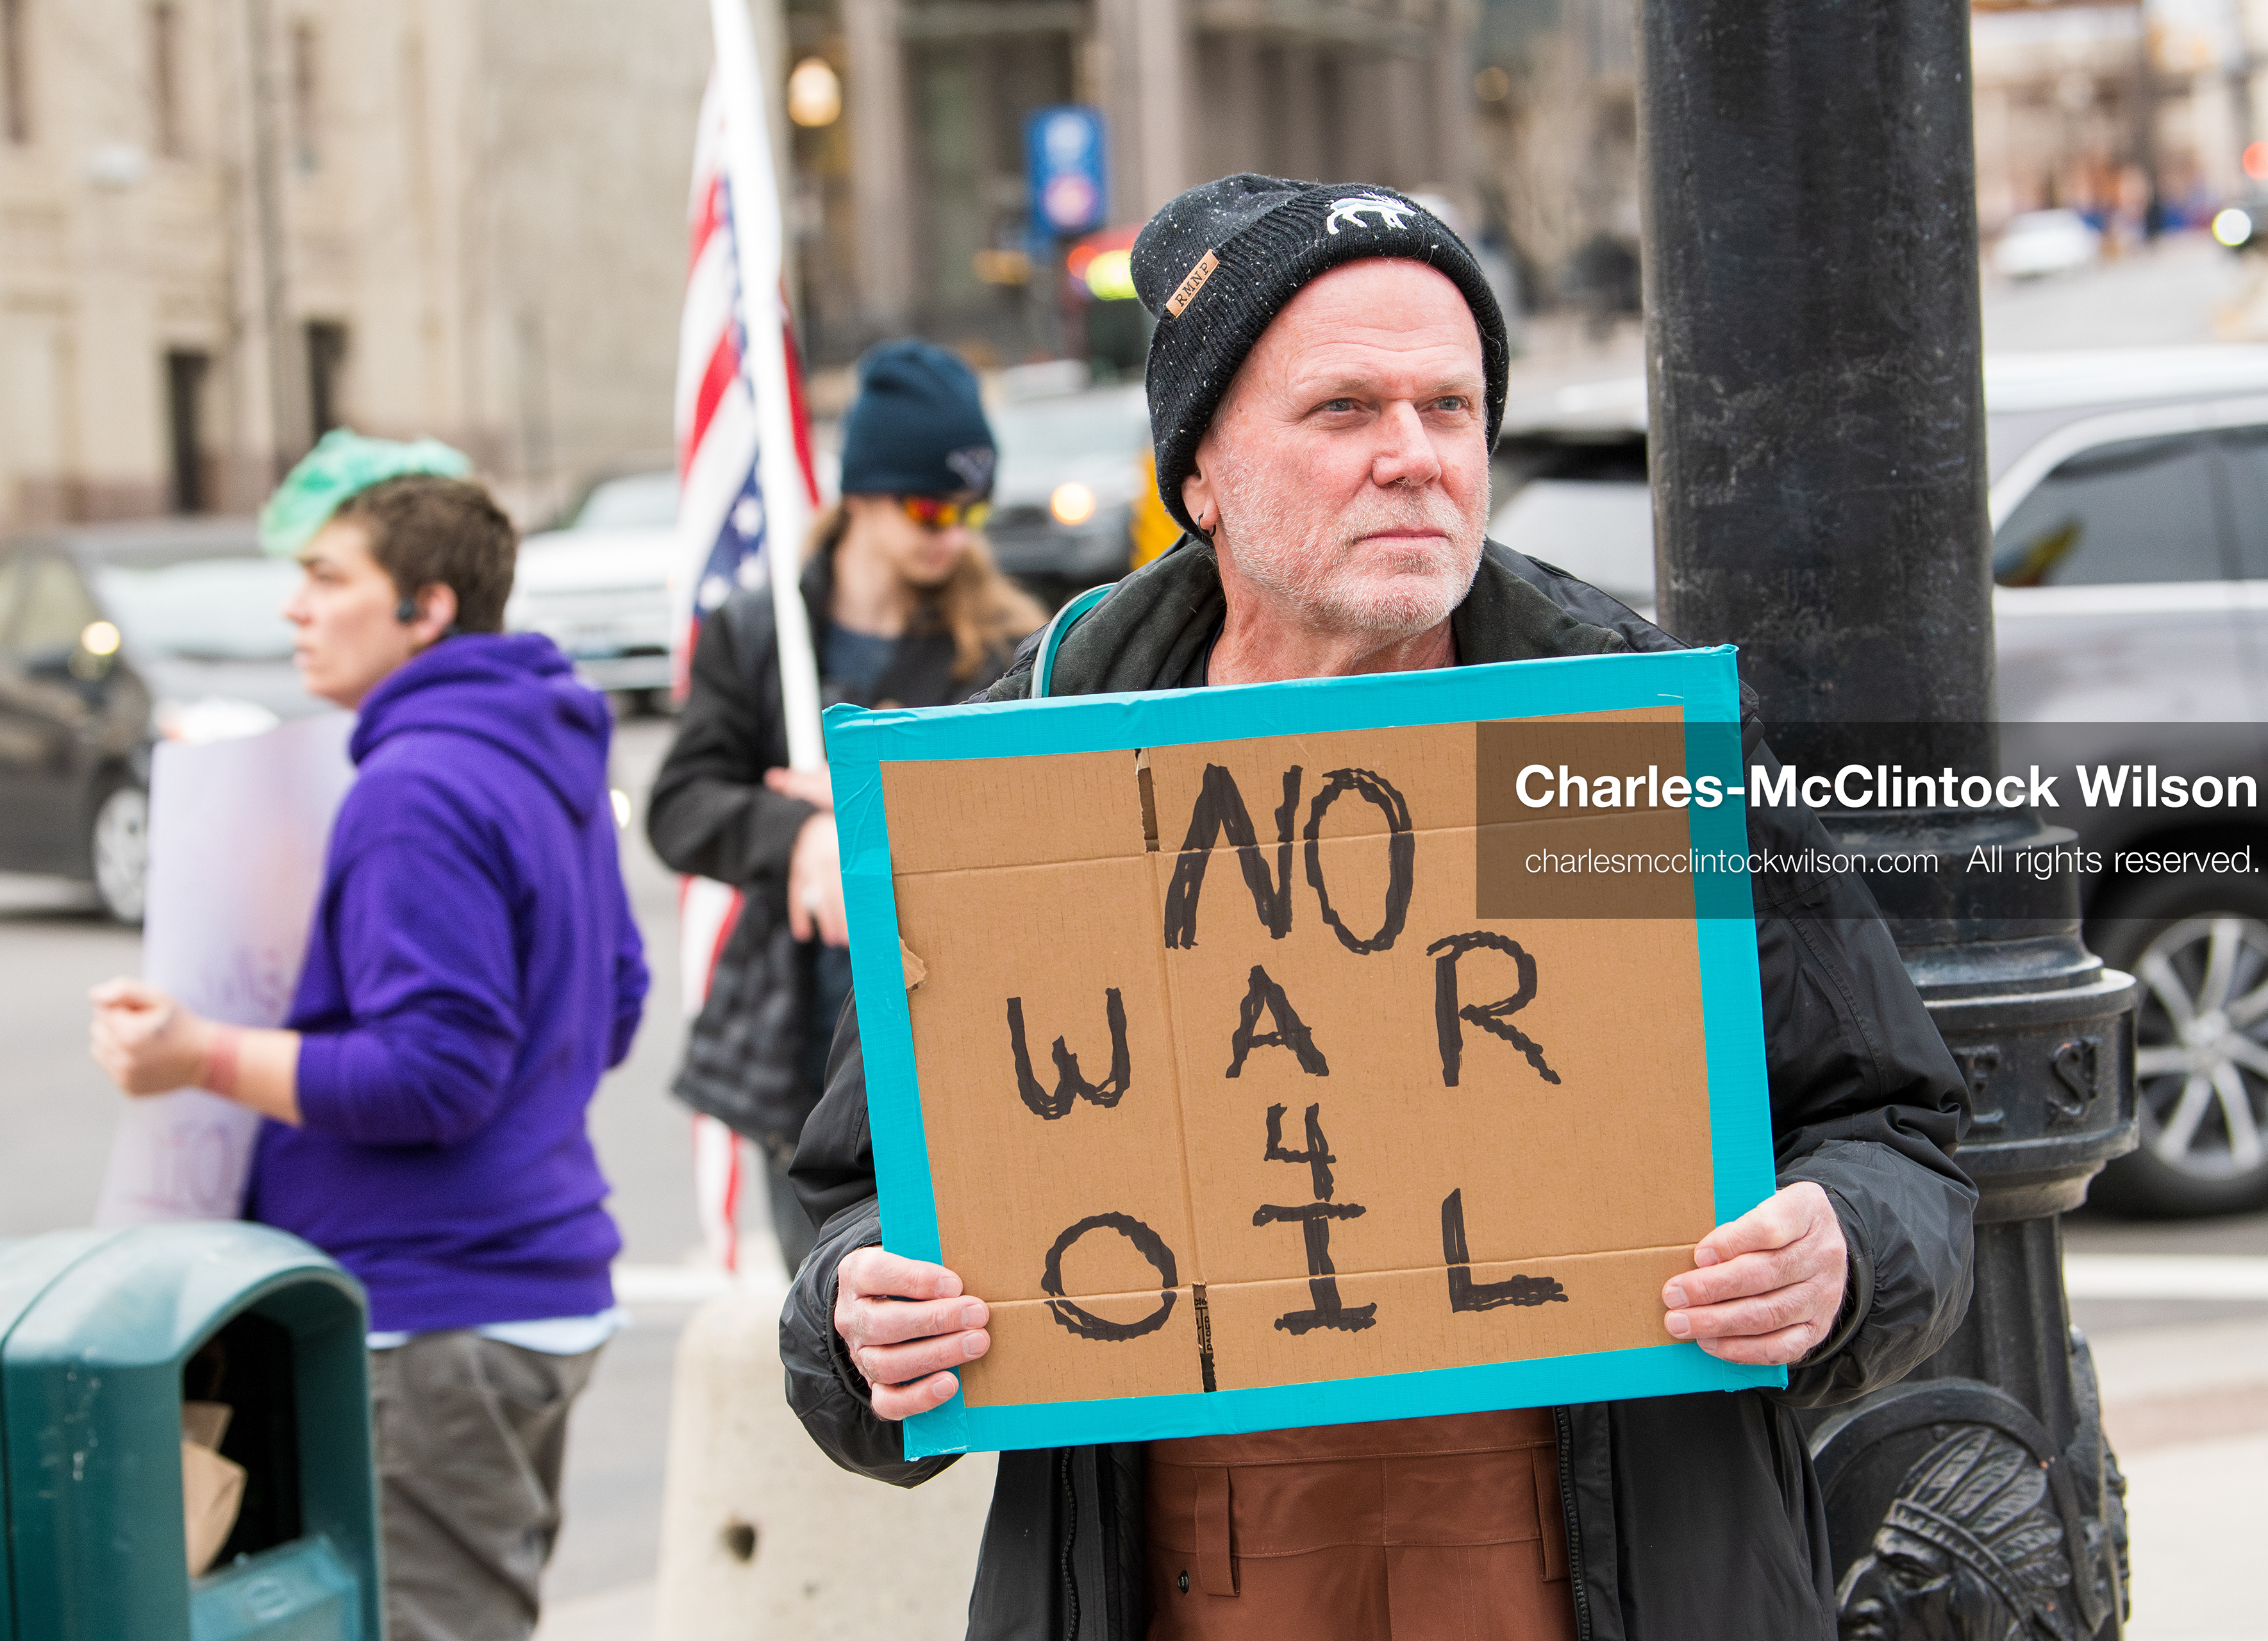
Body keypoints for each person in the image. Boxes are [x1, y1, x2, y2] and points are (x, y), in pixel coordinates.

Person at [780, 177, 1978, 1638]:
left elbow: (1897, 1130)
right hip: (1189, 1570)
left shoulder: (1589, 750)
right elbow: (858, 1199)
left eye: (1451, 408)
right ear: (1202, 473)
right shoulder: (1034, 768)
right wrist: (862, 1321)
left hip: (1592, 1568)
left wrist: (1842, 1251)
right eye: (1344, 408)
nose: (1413, 458)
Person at [88, 429, 648, 1641]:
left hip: (431, 1314)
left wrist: (201, 1055)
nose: (296, 609)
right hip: (516, 1294)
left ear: (426, 606)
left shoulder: (417, 783)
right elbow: (611, 1005)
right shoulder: (534, 746)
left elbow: (432, 1075)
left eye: (330, 579)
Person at [649, 340, 1044, 1276]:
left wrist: (884, 804)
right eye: (926, 505)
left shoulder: (1004, 647)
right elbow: (681, 805)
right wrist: (802, 836)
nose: (950, 529)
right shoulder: (763, 635)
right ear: (861, 493)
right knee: (836, 1307)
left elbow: (1036, 818)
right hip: (802, 1042)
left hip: (957, 1023)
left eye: (970, 509)